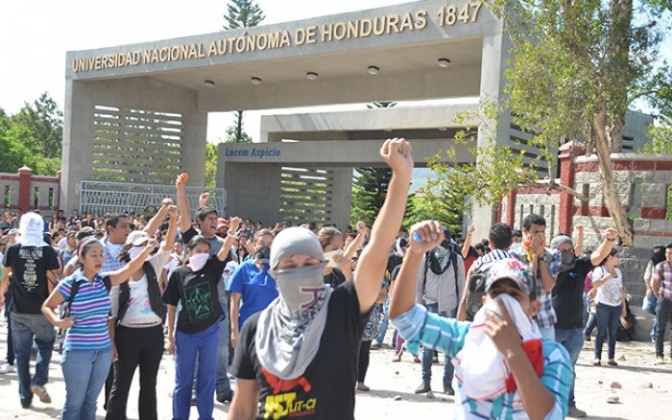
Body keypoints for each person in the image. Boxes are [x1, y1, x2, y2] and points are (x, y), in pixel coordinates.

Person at [227, 138, 413, 420]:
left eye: (309, 263)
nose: (300, 269)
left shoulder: (342, 308)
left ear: (321, 265)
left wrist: (401, 176)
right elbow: (241, 408)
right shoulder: (256, 328)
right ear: (275, 271)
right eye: (290, 264)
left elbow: (378, 246)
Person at [389, 221, 571, 419]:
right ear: (485, 301)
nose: (504, 302)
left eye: (514, 295)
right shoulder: (465, 338)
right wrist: (414, 254)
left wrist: (514, 352)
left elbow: (550, 416)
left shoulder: (551, 355)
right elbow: (404, 317)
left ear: (533, 307)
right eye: (497, 293)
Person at [41, 236, 158, 420]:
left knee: (90, 403)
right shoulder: (70, 284)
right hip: (78, 352)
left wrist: (146, 251)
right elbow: (47, 306)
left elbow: (129, 269)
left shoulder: (105, 281)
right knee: (74, 404)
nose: (99, 259)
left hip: (102, 352)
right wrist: (58, 321)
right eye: (93, 255)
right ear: (81, 258)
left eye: (101, 255)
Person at [105, 205, 178, 420]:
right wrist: (112, 342)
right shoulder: (119, 275)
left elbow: (167, 246)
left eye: (146, 245)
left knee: (149, 385)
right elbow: (112, 313)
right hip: (127, 334)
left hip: (153, 333)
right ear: (128, 248)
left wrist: (173, 219)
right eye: (138, 245)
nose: (143, 249)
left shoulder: (152, 266)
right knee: (122, 384)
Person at [163, 221, 239, 420]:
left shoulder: (212, 268)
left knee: (207, 377)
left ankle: (206, 416)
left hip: (210, 332)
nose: (203, 254)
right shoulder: (179, 274)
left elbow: (224, 250)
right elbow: (171, 305)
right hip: (185, 333)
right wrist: (169, 335)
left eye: (206, 251)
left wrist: (232, 230)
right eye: (198, 250)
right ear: (189, 252)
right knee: (183, 380)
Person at [549, 227, 617, 418]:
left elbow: (598, 255)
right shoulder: (548, 269)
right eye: (561, 249)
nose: (566, 253)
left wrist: (609, 239)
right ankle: (546, 405)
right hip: (552, 328)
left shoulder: (578, 266)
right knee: (548, 368)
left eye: (569, 249)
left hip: (575, 330)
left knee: (569, 370)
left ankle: (569, 405)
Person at [0, 212, 61, 408]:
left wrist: (1, 296)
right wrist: (53, 305)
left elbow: (4, 277)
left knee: (22, 354)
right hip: (42, 309)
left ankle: (24, 397)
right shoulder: (49, 251)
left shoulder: (12, 249)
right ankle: (39, 380)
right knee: (45, 345)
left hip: (17, 309)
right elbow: (52, 280)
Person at [414, 227, 465, 395]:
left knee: (450, 347)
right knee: (427, 346)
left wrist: (461, 309)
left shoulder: (457, 260)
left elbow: (462, 286)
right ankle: (425, 381)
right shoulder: (426, 258)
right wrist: (419, 304)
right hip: (429, 304)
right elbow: (419, 282)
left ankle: (447, 383)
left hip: (449, 305)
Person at [510, 214, 560, 341]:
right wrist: (534, 257)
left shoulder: (553, 254)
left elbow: (549, 286)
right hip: (521, 321)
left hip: (545, 321)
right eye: (535, 232)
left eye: (542, 232)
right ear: (525, 232)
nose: (539, 236)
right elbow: (527, 285)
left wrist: (541, 256)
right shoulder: (514, 254)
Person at [228, 229, 277, 349]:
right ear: (254, 245)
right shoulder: (244, 269)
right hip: (248, 327)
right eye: (261, 243)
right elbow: (235, 301)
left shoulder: (280, 270)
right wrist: (234, 330)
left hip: (274, 330)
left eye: (269, 244)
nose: (266, 247)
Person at [457, 222, 514, 322]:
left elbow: (464, 299)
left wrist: (459, 325)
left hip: (479, 320)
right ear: (511, 242)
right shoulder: (517, 265)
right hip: (507, 324)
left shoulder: (478, 264)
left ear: (490, 242)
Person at [591, 248, 626, 366]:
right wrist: (608, 276)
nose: (618, 258)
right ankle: (597, 356)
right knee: (601, 331)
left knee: (613, 331)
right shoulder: (599, 270)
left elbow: (621, 290)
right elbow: (596, 284)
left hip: (616, 304)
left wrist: (624, 307)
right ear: (609, 257)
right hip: (603, 304)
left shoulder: (619, 272)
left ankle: (611, 356)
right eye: (616, 255)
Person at [652, 243, 672, 364]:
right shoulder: (661, 266)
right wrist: (659, 296)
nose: (668, 256)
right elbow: (654, 284)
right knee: (660, 329)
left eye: (670, 254)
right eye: (667, 253)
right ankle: (659, 354)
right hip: (664, 299)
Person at [644, 245, 666, 342]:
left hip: (664, 292)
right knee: (646, 308)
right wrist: (649, 288)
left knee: (659, 312)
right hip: (653, 290)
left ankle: (654, 335)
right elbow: (646, 276)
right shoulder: (652, 262)